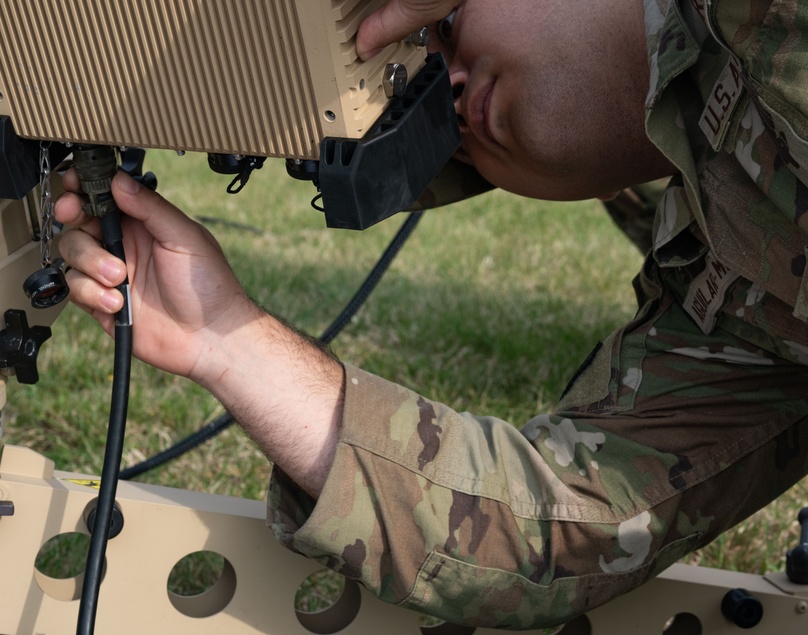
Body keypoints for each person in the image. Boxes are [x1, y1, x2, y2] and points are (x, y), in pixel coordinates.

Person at [56, 0, 808, 628]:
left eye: (443, 25)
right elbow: (550, 530)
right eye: (458, 152)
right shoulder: (737, 295)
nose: (445, 88)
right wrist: (225, 340)